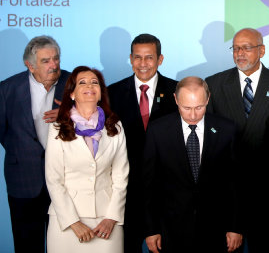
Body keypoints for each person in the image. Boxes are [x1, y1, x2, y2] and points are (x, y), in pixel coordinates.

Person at [205, 28, 269, 252]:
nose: (240, 53)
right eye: (235, 48)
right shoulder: (214, 85)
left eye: (246, 47)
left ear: (261, 50)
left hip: (265, 194)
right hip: (225, 194)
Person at [143, 77, 242, 253]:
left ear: (208, 99)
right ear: (175, 99)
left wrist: (235, 227)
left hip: (215, 229)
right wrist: (151, 230)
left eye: (199, 107)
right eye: (186, 108)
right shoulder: (157, 130)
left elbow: (235, 183)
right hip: (170, 230)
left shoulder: (227, 129)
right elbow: (149, 184)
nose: (193, 115)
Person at [45, 66, 129, 252]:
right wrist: (74, 222)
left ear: (100, 93)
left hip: (106, 221)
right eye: (82, 82)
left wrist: (112, 218)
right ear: (72, 93)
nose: (89, 86)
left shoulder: (115, 126)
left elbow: (121, 177)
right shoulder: (58, 128)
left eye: (95, 82)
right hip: (66, 221)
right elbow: (54, 179)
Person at [107, 33, 177, 253]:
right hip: (126, 193)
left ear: (160, 59)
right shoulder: (112, 93)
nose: (143, 63)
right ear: (130, 58)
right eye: (138, 57)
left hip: (167, 193)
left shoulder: (178, 92)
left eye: (149, 57)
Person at [0, 35, 70, 253]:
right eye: (46, 61)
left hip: (66, 181)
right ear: (29, 65)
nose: (54, 65)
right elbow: (4, 133)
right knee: (27, 246)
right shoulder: (7, 89)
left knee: (66, 246)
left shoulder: (75, 83)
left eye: (56, 59)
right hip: (23, 181)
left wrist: (69, 114)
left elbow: (98, 118)